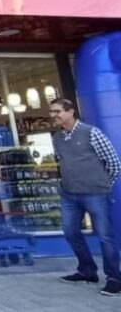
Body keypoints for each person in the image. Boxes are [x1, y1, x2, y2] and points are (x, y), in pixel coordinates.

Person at [50, 98, 121, 296]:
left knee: (105, 236)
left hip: (95, 193)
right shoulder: (57, 138)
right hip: (69, 194)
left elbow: (114, 163)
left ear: (70, 111)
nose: (53, 115)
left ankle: (115, 278)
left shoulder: (91, 133)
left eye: (57, 111)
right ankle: (87, 270)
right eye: (52, 111)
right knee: (70, 232)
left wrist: (102, 185)